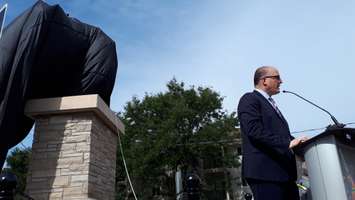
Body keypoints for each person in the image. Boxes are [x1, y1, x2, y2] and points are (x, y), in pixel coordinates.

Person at [237, 66, 307, 200]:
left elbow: (281, 135)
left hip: (285, 175)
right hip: (265, 174)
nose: (281, 81)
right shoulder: (250, 99)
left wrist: (301, 145)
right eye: (277, 77)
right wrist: (288, 143)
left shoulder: (271, 104)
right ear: (264, 80)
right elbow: (254, 130)